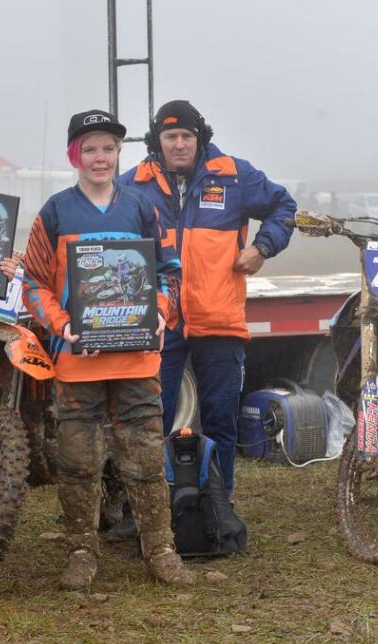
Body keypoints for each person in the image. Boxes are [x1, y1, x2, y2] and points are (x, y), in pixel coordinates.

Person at [21, 109, 194, 589]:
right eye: (90, 148)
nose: (100, 158)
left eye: (109, 148)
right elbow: (33, 282)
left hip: (137, 358)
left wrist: (161, 312)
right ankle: (81, 550)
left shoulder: (142, 207)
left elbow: (169, 272)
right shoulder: (55, 211)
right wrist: (60, 325)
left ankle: (160, 549)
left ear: (120, 153)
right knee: (78, 461)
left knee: (143, 455)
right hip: (78, 362)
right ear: (75, 155)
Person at [120, 100, 295, 493]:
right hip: (160, 323)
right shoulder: (132, 185)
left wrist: (263, 247)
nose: (180, 144)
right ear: (156, 140)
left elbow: (284, 206)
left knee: (220, 421)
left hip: (219, 318)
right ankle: (147, 512)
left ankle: (218, 506)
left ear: (200, 138)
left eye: (187, 135)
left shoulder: (234, 176)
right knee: (150, 420)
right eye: (171, 136)